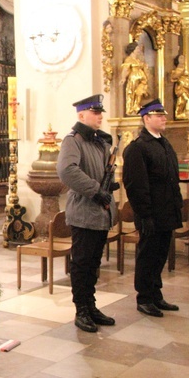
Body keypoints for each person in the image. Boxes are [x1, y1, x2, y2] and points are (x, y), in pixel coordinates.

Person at [56, 94, 119, 333]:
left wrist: (108, 187)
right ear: (81, 115)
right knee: (81, 264)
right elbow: (67, 170)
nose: (100, 116)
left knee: (93, 263)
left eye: (101, 112)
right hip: (84, 212)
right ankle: (81, 310)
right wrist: (96, 191)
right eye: (95, 112)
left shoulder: (99, 142)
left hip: (100, 213)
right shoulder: (73, 140)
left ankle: (91, 305)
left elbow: (103, 172)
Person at [122, 99, 183, 317]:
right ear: (146, 118)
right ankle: (144, 297)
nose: (164, 118)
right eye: (158, 115)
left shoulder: (164, 143)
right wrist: (144, 215)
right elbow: (136, 185)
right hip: (151, 213)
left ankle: (156, 294)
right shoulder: (138, 148)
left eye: (164, 114)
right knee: (148, 255)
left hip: (167, 211)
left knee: (160, 255)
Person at [120, 42, 150, 116]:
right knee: (133, 93)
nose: (138, 50)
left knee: (140, 92)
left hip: (141, 79)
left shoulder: (138, 60)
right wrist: (123, 78)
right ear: (133, 50)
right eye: (137, 48)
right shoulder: (129, 59)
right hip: (134, 79)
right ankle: (132, 108)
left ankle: (137, 105)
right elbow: (125, 69)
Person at [170, 54, 189, 120]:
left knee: (186, 99)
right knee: (183, 99)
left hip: (186, 86)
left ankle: (182, 112)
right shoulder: (179, 68)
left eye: (183, 58)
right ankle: (178, 113)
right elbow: (174, 77)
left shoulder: (185, 68)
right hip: (181, 86)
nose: (182, 60)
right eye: (181, 58)